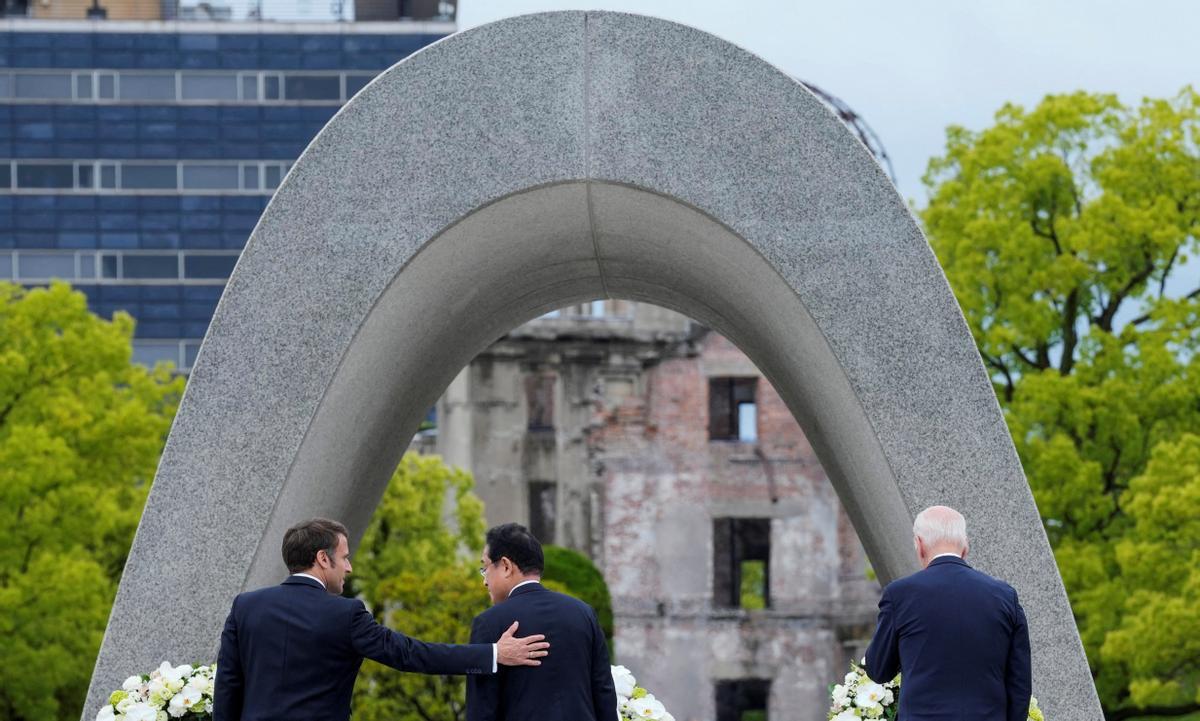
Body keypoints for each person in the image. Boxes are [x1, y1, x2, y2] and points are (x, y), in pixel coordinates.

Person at [214, 517, 550, 721]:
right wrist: (494, 654)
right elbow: (410, 654)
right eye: (344, 558)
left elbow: (228, 686)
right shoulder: (345, 614)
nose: (349, 567)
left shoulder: (246, 607)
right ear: (322, 559)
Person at [865, 506, 1032, 721]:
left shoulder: (899, 595)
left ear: (920, 545)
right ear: (965, 547)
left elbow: (878, 669)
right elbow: (1019, 685)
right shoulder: (1005, 596)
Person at [466, 523, 617, 721]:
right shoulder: (583, 613)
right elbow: (604, 694)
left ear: (505, 566)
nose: (485, 580)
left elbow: (482, 709)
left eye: (485, 568)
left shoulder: (488, 623)